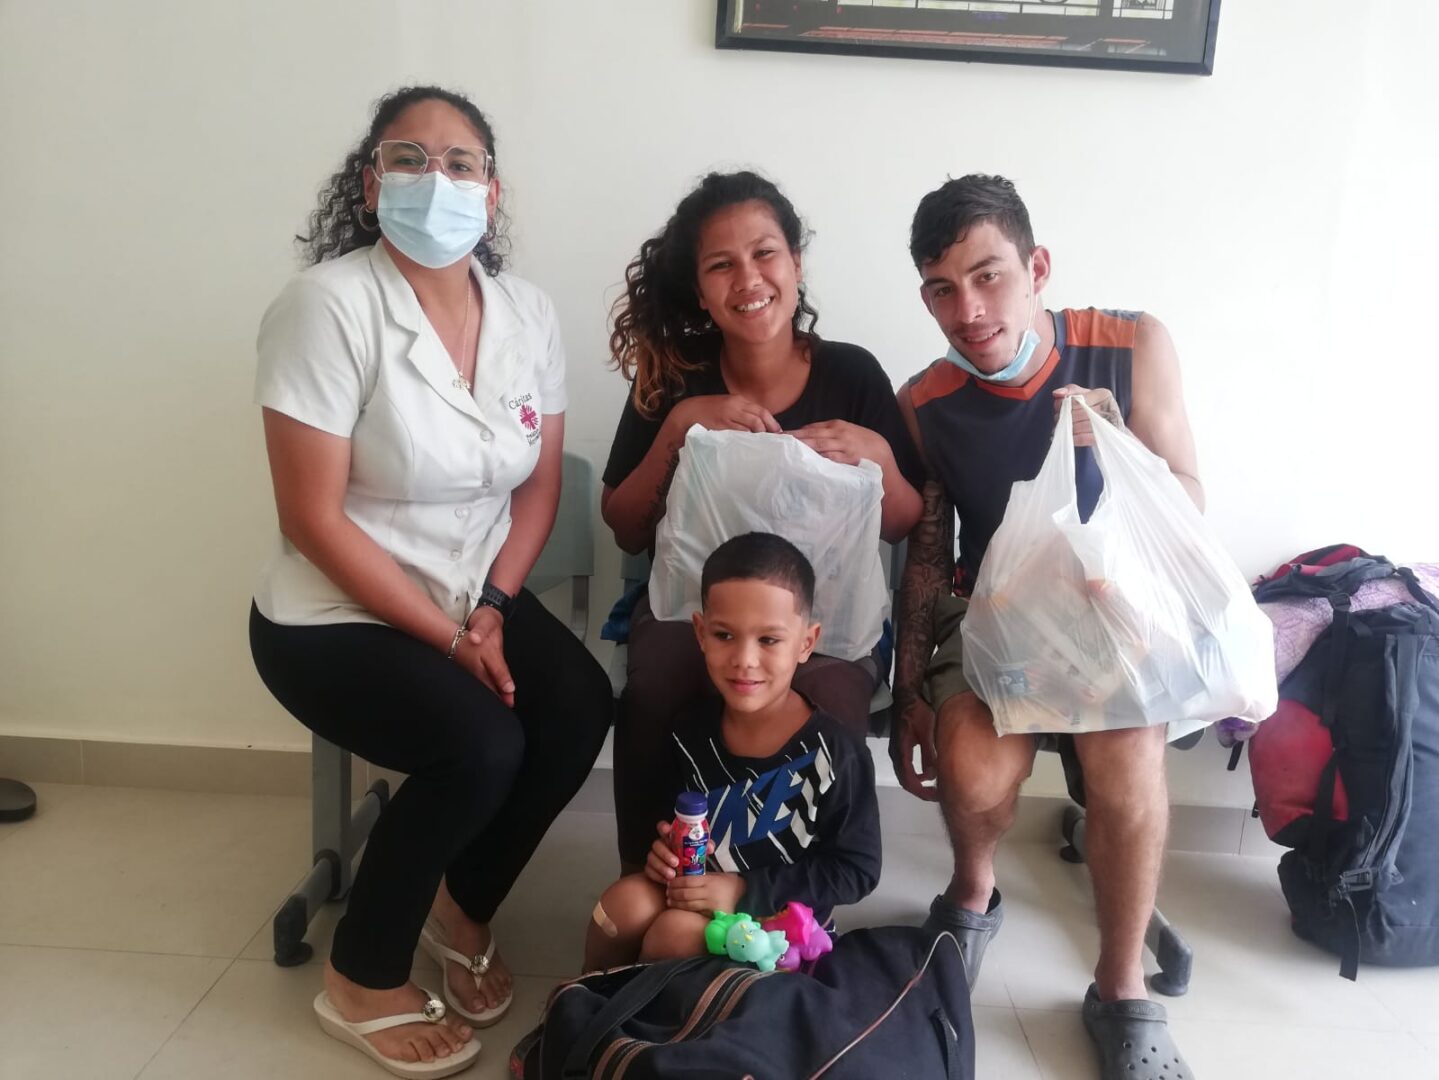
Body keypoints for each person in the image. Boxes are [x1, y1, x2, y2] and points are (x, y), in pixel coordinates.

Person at [247, 85, 611, 1078]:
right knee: (480, 745)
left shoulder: (526, 313)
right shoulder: (326, 306)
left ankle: (459, 906)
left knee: (578, 706)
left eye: (459, 163)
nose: (434, 179)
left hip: (470, 593)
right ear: (371, 186)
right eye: (407, 158)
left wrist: (490, 608)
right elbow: (312, 518)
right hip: (333, 610)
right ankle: (361, 975)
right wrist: (450, 639)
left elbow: (539, 486)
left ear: (491, 192)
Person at [890, 175, 1201, 1079]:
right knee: (972, 767)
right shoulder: (926, 401)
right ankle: (971, 891)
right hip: (996, 617)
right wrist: (908, 691)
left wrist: (1115, 458)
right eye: (942, 289)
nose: (968, 310)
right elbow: (926, 553)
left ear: (1037, 268)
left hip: (1114, 610)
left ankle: (1119, 987)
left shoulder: (1130, 346)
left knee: (1126, 753)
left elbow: (1187, 497)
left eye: (988, 276)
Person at [602, 170, 924, 872]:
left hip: (825, 618)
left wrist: (878, 457)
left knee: (829, 697)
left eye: (765, 253)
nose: (747, 279)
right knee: (659, 681)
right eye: (721, 264)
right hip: (696, 610)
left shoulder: (852, 375)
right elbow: (624, 526)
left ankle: (794, 897)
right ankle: (653, 879)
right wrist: (679, 428)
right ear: (699, 289)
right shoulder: (674, 378)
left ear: (796, 263)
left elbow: (902, 523)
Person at [583, 533, 881, 970]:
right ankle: (590, 1001)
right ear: (701, 633)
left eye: (769, 640)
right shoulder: (688, 730)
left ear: (806, 642)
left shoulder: (837, 752)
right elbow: (671, 823)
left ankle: (656, 1011)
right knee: (619, 908)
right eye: (724, 635)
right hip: (696, 890)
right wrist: (663, 851)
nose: (744, 659)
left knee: (674, 934)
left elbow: (858, 869)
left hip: (779, 921)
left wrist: (743, 891)